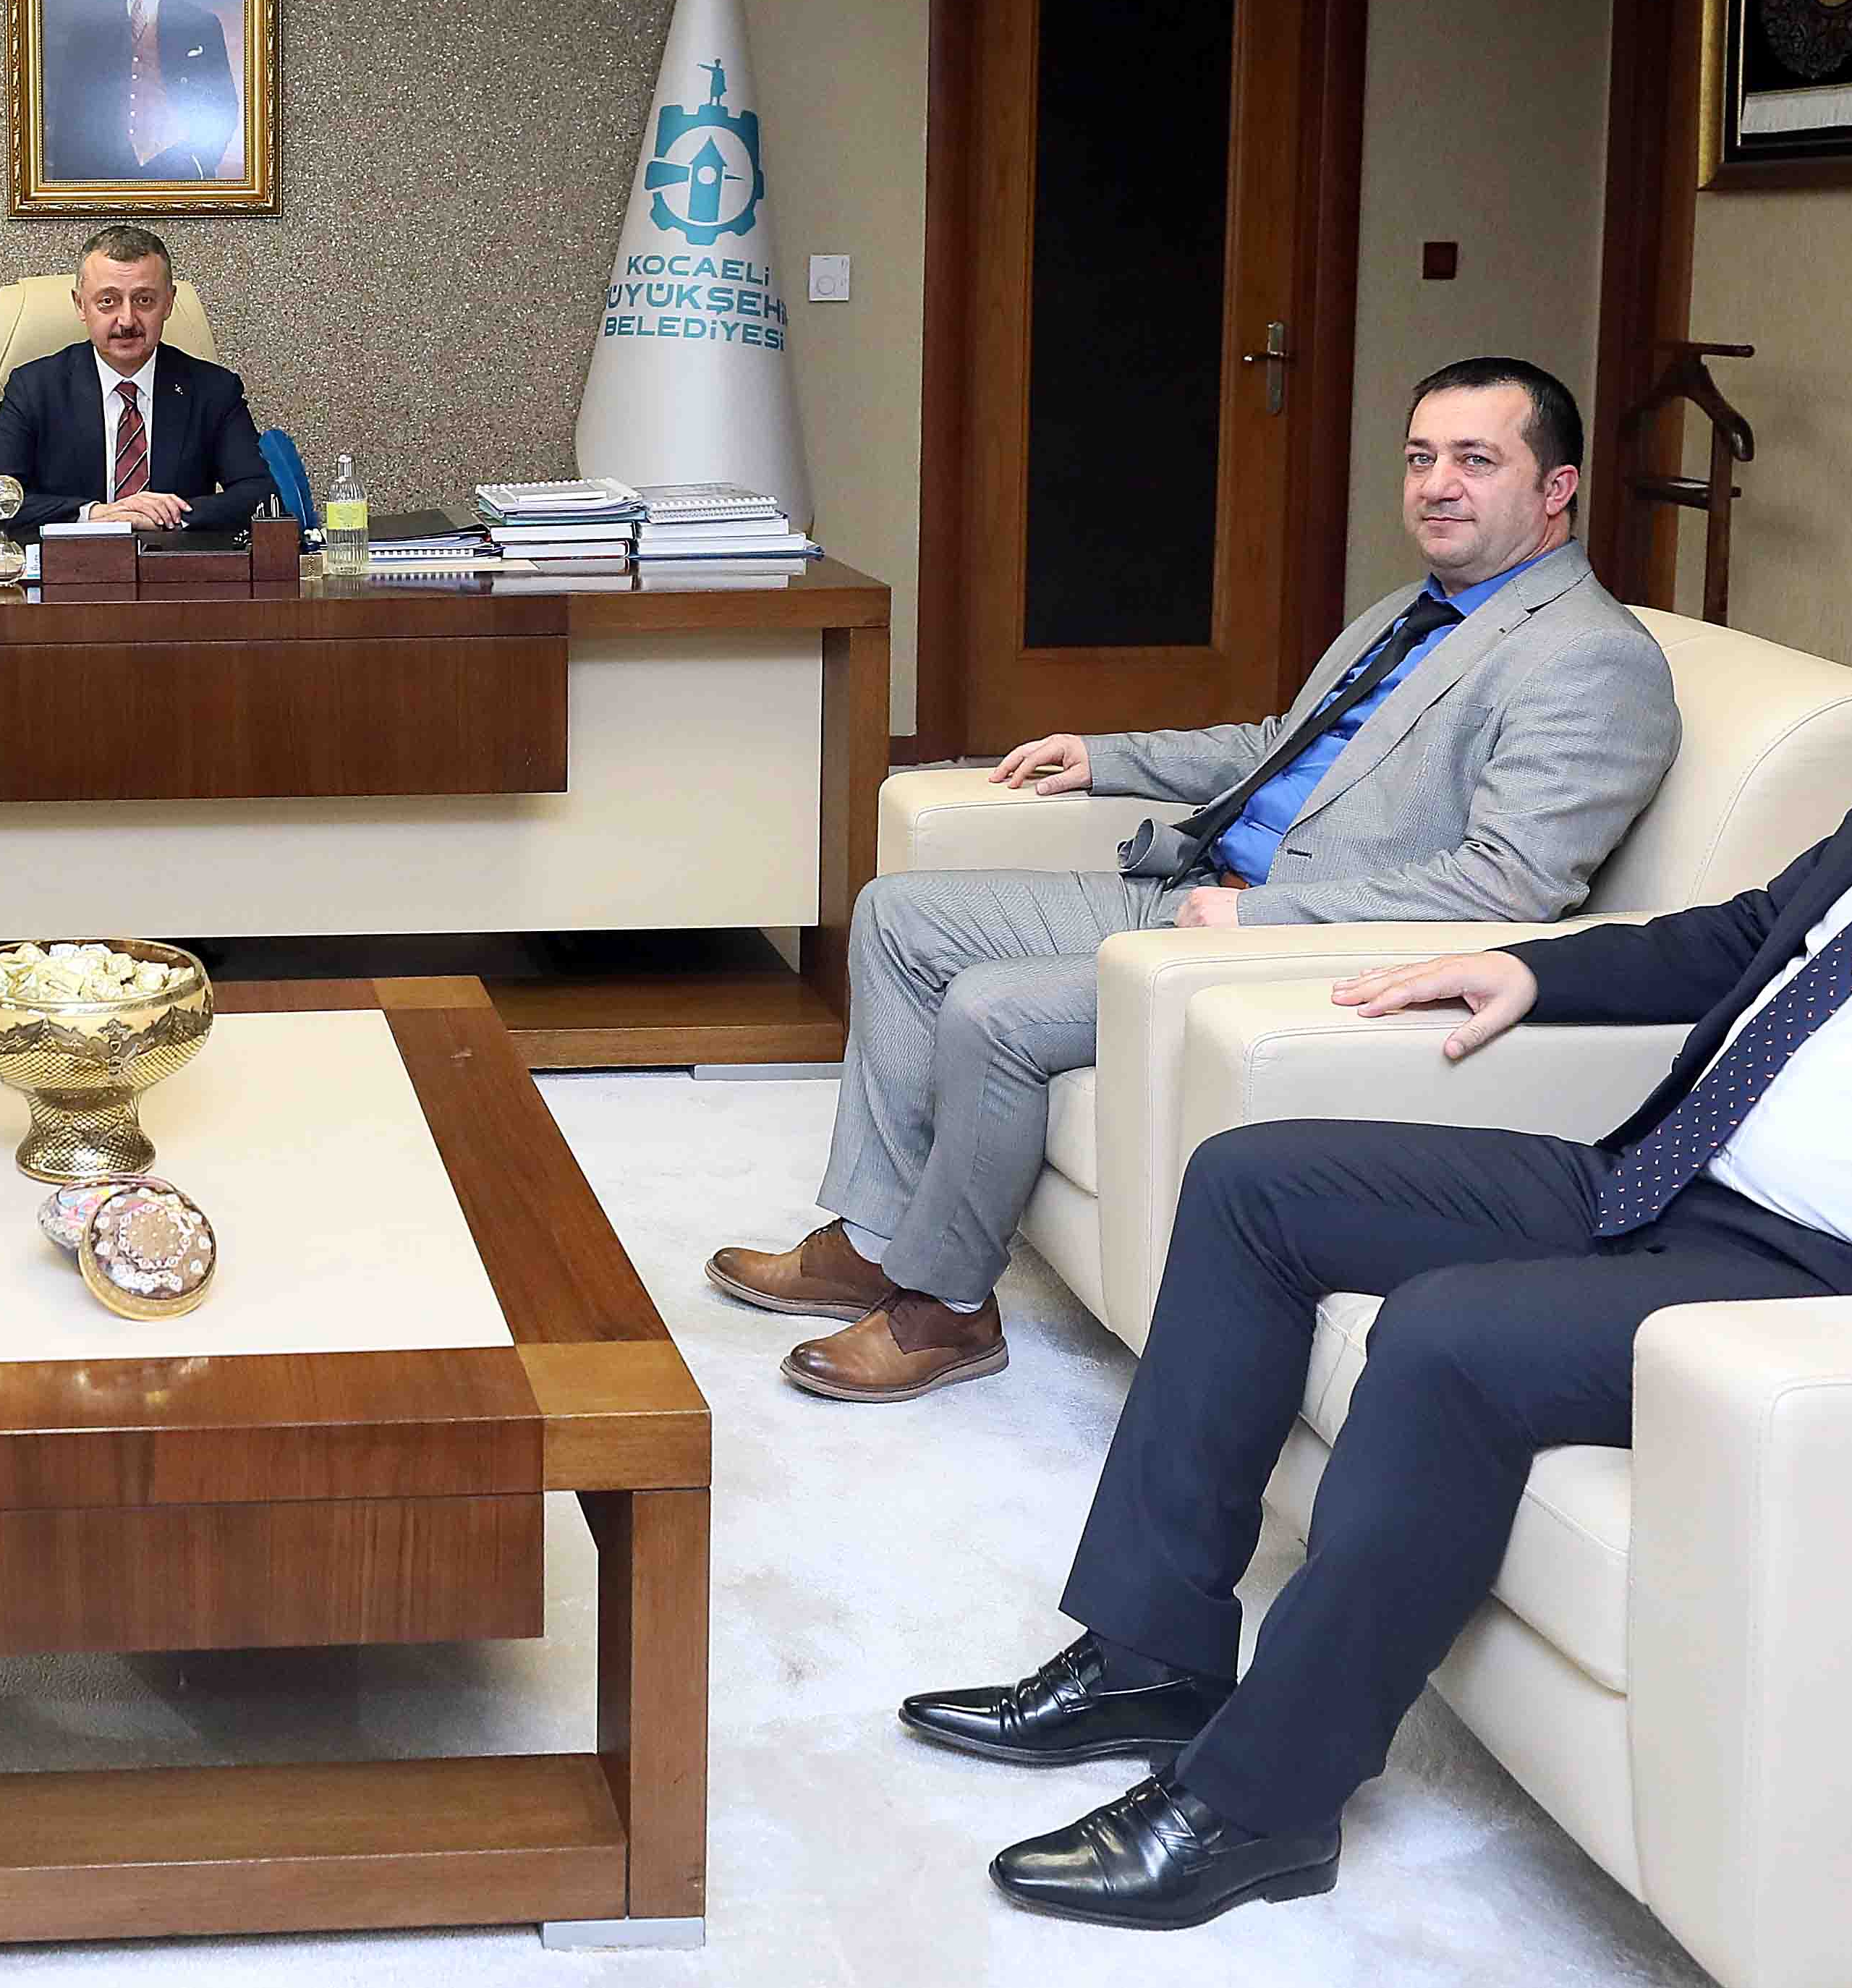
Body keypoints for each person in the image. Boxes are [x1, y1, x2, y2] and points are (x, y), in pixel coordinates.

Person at [909, 434, 1852, 1932]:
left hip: (1841, 1277)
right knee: (1256, 1178)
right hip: (1657, 1177)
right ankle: (1148, 1656)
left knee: (1451, 1335)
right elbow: (1754, 934)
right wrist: (1530, 967)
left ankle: (1258, 1806)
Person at [712, 356, 1679, 1403]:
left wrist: (1265, 913)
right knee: (899, 914)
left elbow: (1509, 886)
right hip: (1200, 889)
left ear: (1555, 487)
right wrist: (1106, 755)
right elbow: (1280, 746)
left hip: (1296, 940)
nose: (1436, 485)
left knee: (992, 1007)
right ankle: (875, 1237)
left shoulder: (1588, 658)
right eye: (1419, 458)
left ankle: (945, 1308)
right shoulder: (1411, 610)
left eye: (1474, 461)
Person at [0, 224, 273, 537]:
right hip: (69, 563)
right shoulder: (35, 388)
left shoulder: (213, 390)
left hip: (174, 562)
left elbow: (263, 496)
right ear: (80, 305)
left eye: (144, 300)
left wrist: (168, 517)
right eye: (108, 301)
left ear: (169, 303)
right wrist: (93, 515)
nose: (127, 320)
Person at [45, 0, 235, 182]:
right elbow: (68, 112)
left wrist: (198, 162)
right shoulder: (88, 25)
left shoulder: (201, 25)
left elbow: (225, 104)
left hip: (176, 173)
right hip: (102, 175)